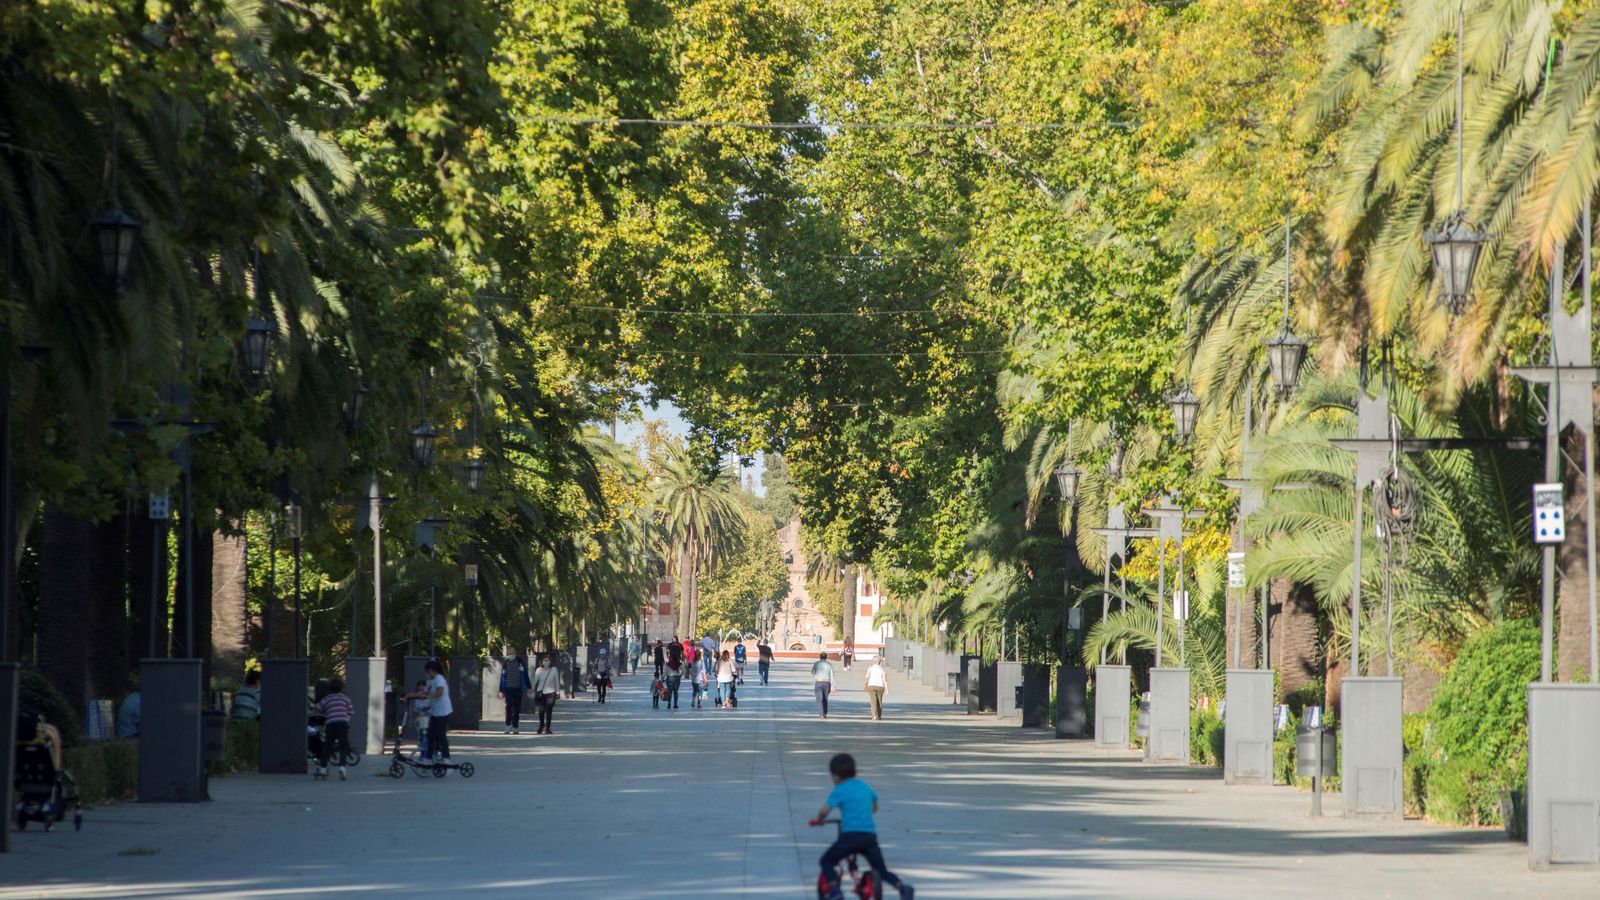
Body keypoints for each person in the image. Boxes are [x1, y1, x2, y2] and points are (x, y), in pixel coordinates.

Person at [809, 753, 914, 900]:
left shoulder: (839, 789)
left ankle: (834, 890)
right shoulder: (866, 787)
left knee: (826, 861)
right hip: (869, 837)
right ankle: (902, 888)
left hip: (850, 837)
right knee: (881, 870)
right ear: (855, 772)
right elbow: (875, 807)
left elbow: (824, 810)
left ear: (835, 776)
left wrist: (819, 820)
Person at [313, 676, 354, 780]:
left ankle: (322, 768)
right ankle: (342, 767)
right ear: (341, 688)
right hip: (342, 724)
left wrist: (324, 712)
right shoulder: (345, 698)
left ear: (330, 688)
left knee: (327, 746)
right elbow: (350, 711)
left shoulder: (327, 698)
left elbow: (317, 708)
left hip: (330, 724)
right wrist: (346, 718)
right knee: (343, 746)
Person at [422, 659, 452, 761]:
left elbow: (439, 692)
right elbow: (424, 693)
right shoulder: (429, 681)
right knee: (430, 735)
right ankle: (428, 757)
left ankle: (446, 757)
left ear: (433, 670)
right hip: (434, 711)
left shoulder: (439, 678)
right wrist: (411, 696)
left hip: (443, 711)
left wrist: (429, 696)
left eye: (429, 671)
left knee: (440, 734)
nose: (427, 673)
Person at [500, 652, 531, 734]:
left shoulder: (520, 662)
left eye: (513, 653)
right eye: (510, 653)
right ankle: (507, 726)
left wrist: (528, 686)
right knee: (508, 707)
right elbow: (502, 677)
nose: (511, 655)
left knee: (516, 709)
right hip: (508, 689)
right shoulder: (505, 663)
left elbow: (525, 674)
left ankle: (515, 726)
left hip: (518, 689)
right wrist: (501, 690)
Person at [532, 654, 561, 734]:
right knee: (541, 711)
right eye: (544, 660)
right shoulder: (539, 670)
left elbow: (556, 681)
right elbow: (535, 680)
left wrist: (558, 692)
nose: (546, 662)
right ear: (542, 661)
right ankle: (541, 725)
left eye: (547, 660)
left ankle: (547, 728)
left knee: (549, 711)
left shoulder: (554, 669)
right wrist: (531, 688)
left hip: (550, 692)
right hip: (540, 692)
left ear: (550, 661)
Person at [403, 679, 432, 758]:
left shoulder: (430, 697)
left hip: (431, 720)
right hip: (422, 721)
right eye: (419, 690)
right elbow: (416, 711)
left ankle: (426, 755)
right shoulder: (417, 700)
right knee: (423, 737)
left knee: (426, 736)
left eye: (423, 689)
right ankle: (424, 754)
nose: (421, 692)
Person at [864, 657, 889, 721]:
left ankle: (874, 716)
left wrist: (866, 682)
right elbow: (885, 680)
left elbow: (866, 677)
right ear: (879, 662)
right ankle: (879, 715)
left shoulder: (870, 668)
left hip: (871, 686)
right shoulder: (882, 669)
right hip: (880, 686)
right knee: (879, 701)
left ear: (873, 661)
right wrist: (886, 688)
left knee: (873, 701)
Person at [811, 651, 835, 718]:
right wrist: (833, 686)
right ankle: (824, 713)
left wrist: (816, 675)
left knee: (819, 699)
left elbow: (812, 672)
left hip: (818, 682)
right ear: (826, 657)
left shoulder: (816, 663)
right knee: (825, 698)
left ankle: (821, 714)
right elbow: (832, 675)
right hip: (827, 682)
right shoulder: (829, 664)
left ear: (820, 657)